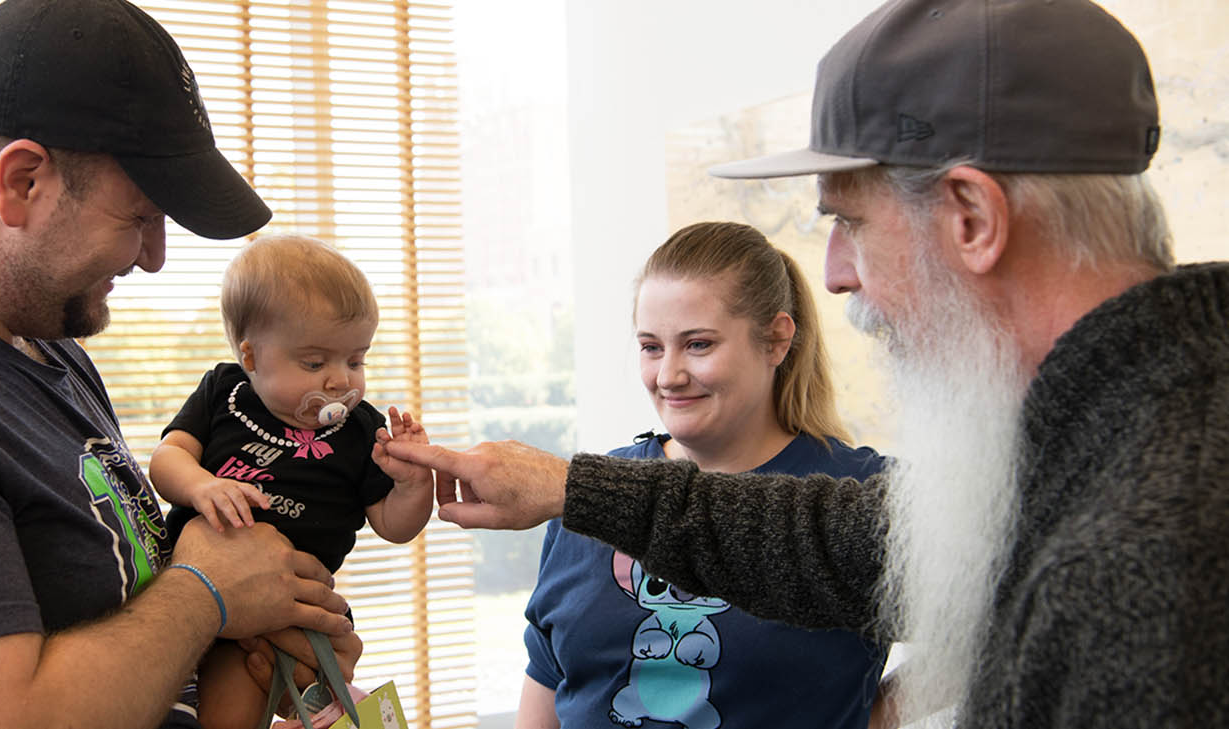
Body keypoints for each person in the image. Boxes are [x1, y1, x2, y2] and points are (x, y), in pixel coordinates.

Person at [379, 1, 1229, 727]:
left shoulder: (1153, 554)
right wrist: (572, 490)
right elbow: (840, 542)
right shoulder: (1091, 443)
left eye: (850, 221)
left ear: (972, 217)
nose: (834, 271)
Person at [0, 1, 362, 727]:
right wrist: (206, 594)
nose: (154, 257)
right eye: (139, 216)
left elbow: (123, 624)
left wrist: (260, 645)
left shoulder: (52, 351)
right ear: (22, 182)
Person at [517, 221, 889, 729]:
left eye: (698, 345)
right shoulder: (585, 499)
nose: (668, 375)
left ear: (777, 340)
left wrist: (872, 714)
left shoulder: (861, 500)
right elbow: (545, 694)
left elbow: (991, 629)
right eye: (651, 347)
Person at [150, 234, 434, 728]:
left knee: (239, 697)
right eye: (314, 362)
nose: (340, 381)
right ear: (252, 356)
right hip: (196, 591)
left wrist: (413, 484)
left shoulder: (360, 428)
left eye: (355, 360)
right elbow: (166, 458)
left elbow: (394, 525)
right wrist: (201, 486)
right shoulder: (224, 393)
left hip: (286, 613)